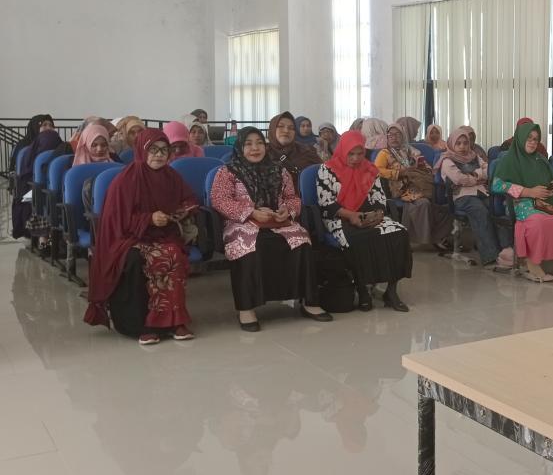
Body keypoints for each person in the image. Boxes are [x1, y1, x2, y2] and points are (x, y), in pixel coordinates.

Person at [84, 128, 199, 345]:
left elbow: (189, 198)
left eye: (164, 150)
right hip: (128, 238)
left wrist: (182, 211)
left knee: (174, 253)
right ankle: (141, 324)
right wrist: (148, 219)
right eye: (153, 150)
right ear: (142, 151)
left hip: (163, 235)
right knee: (136, 259)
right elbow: (117, 219)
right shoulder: (126, 180)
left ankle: (174, 321)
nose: (159, 155)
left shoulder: (171, 176)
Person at [210, 127, 331, 331]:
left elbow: (292, 198)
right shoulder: (227, 172)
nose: (255, 148)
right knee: (249, 247)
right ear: (239, 147)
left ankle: (309, 302)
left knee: (301, 241)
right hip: (242, 222)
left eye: (259, 143)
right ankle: (246, 308)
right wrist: (251, 212)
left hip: (277, 221)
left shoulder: (279, 170)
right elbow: (220, 200)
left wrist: (287, 211)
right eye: (249, 144)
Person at [317, 131, 413, 312]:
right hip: (340, 217)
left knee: (399, 233)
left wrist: (378, 213)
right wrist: (351, 216)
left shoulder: (370, 169)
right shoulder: (327, 169)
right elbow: (326, 203)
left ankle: (391, 291)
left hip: (369, 215)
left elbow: (379, 196)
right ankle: (362, 290)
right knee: (358, 239)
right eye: (351, 154)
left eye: (360, 153)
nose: (355, 159)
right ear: (342, 150)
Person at [492, 122, 553, 281]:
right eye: (529, 138)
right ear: (521, 138)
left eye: (536, 139)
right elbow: (496, 185)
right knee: (538, 222)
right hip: (522, 203)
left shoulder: (541, 159)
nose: (532, 142)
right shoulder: (509, 159)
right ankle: (532, 265)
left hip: (548, 201)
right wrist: (528, 191)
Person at [439, 127, 513, 267]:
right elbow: (458, 179)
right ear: (452, 144)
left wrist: (475, 174)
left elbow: (488, 170)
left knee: (497, 210)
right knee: (480, 212)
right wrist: (477, 178)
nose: (462, 147)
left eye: (465, 143)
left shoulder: (474, 156)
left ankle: (506, 253)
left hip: (481, 192)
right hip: (462, 196)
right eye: (458, 143)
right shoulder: (447, 160)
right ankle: (490, 256)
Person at [375, 122, 452, 247]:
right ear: (387, 137)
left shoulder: (410, 150)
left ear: (403, 136)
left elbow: (426, 167)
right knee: (423, 204)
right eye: (391, 135)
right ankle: (428, 237)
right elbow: (377, 170)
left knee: (443, 208)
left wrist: (420, 167)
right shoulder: (384, 153)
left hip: (419, 183)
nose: (394, 138)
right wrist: (397, 173)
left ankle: (434, 236)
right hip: (401, 186)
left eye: (397, 134)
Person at [12, 128, 68, 244]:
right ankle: (43, 238)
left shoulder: (61, 156)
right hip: (34, 192)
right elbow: (24, 182)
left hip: (55, 193)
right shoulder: (32, 157)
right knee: (36, 201)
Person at [267, 112, 322, 189]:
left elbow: (322, 175)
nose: (286, 130)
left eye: (291, 128)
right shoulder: (263, 153)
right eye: (281, 126)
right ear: (272, 129)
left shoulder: (306, 151)